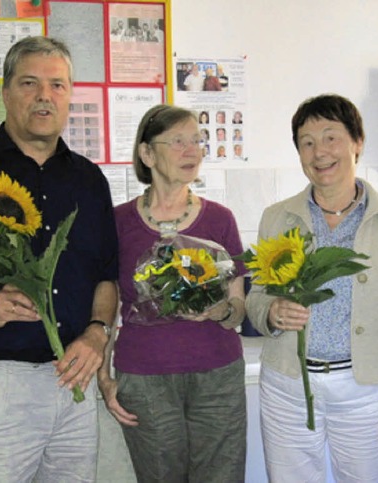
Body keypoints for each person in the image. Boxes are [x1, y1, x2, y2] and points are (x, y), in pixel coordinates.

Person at [0, 36, 119, 482]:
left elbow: (106, 277)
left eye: (57, 85)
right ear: (5, 92)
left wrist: (98, 334)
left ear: (69, 96)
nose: (44, 96)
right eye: (30, 83)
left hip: (73, 380)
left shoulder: (89, 180)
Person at [245, 93, 378, 482]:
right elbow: (256, 297)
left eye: (331, 137)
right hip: (289, 386)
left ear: (357, 143)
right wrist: (271, 312)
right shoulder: (277, 217)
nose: (319, 152)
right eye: (307, 142)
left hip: (368, 391)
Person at [98, 104, 248, 482]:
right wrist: (104, 377)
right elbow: (105, 305)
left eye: (196, 141)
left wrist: (219, 312)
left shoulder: (220, 219)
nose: (191, 150)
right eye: (177, 141)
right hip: (145, 379)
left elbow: (238, 308)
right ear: (147, 153)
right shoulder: (117, 223)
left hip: (217, 375)